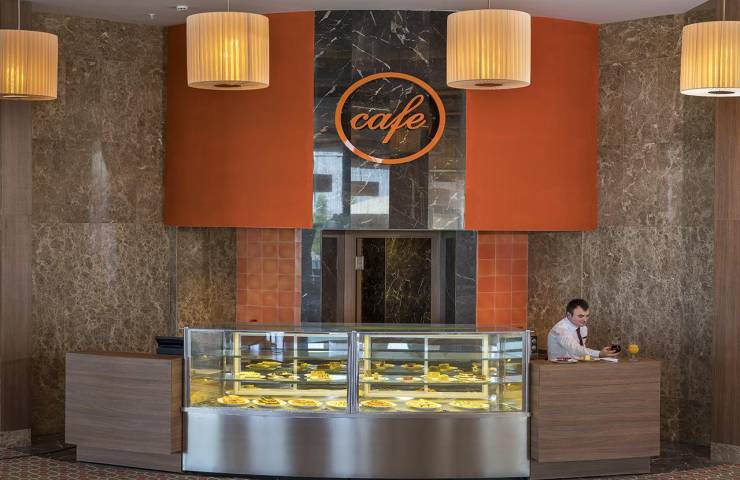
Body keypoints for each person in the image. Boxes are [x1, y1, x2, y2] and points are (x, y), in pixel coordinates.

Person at [547, 298, 619, 360]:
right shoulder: (560, 330)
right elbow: (576, 349)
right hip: (558, 368)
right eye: (580, 316)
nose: (585, 320)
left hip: (578, 365)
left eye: (587, 316)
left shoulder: (583, 328)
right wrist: (599, 354)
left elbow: (582, 350)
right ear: (568, 315)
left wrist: (602, 355)